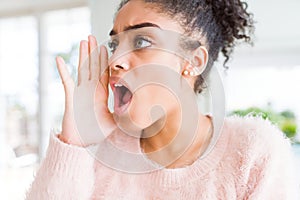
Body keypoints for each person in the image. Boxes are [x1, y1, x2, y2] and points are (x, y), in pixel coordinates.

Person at [26, 0, 298, 199]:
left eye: (142, 41)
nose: (116, 60)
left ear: (193, 61)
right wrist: (75, 141)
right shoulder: (97, 154)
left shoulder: (252, 151)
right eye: (114, 45)